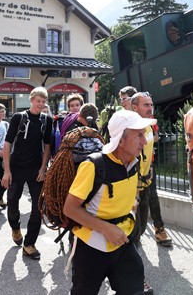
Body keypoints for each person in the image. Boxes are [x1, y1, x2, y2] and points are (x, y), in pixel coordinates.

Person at [63, 109, 156, 295]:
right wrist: (106, 228)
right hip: (91, 247)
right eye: (139, 135)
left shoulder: (134, 162)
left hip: (122, 242)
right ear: (120, 139)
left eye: (144, 134)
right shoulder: (94, 165)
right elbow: (70, 209)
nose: (144, 142)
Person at [1, 87, 52, 260]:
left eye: (44, 102)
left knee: (38, 207)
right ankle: (15, 227)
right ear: (31, 100)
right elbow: (7, 144)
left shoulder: (47, 120)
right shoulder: (19, 117)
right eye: (38, 101)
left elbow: (47, 146)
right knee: (12, 202)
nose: (41, 104)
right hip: (16, 167)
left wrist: (43, 168)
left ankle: (29, 244)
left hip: (35, 169)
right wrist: (6, 171)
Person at [130, 92, 172, 247]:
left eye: (151, 105)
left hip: (145, 181)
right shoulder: (129, 127)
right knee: (132, 231)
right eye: (146, 105)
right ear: (135, 107)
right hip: (130, 185)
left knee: (139, 229)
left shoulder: (149, 125)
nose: (150, 108)